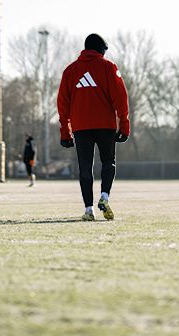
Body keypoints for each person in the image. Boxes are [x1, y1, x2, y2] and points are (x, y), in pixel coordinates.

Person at [57, 33, 130, 221]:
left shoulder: (70, 71)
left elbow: (63, 103)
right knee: (108, 162)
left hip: (81, 127)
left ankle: (89, 210)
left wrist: (65, 130)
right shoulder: (108, 67)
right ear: (101, 50)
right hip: (105, 125)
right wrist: (124, 123)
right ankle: (104, 196)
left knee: (85, 168)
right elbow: (120, 98)